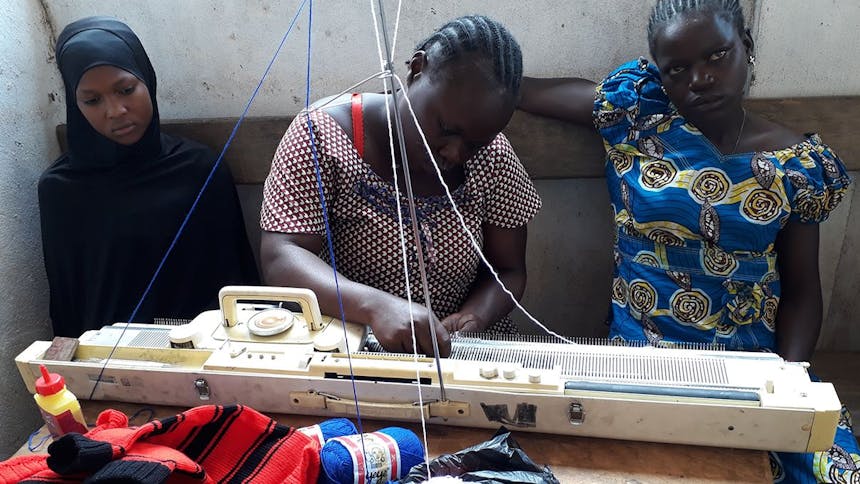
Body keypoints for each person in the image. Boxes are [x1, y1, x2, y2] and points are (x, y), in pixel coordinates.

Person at [518, 0, 858, 481]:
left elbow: (804, 290)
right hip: (642, 362)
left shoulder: (797, 166)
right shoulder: (636, 116)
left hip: (753, 369)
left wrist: (789, 379)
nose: (700, 79)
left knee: (834, 471)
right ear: (661, 74)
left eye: (717, 56)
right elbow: (518, 90)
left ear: (747, 47)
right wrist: (454, 69)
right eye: (678, 69)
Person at [260, 15, 541, 356]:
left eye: (474, 144)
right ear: (416, 69)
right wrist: (373, 306)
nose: (454, 152)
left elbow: (508, 270)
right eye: (445, 129)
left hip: (460, 353)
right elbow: (282, 255)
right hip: (350, 352)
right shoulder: (322, 137)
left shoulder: (493, 158)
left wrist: (475, 316)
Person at [39, 17, 259, 338]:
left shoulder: (197, 169)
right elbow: (68, 304)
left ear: (148, 81)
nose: (115, 110)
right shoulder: (60, 190)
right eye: (92, 100)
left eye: (126, 90)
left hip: (202, 355)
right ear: (75, 104)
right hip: (110, 364)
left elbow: (237, 285)